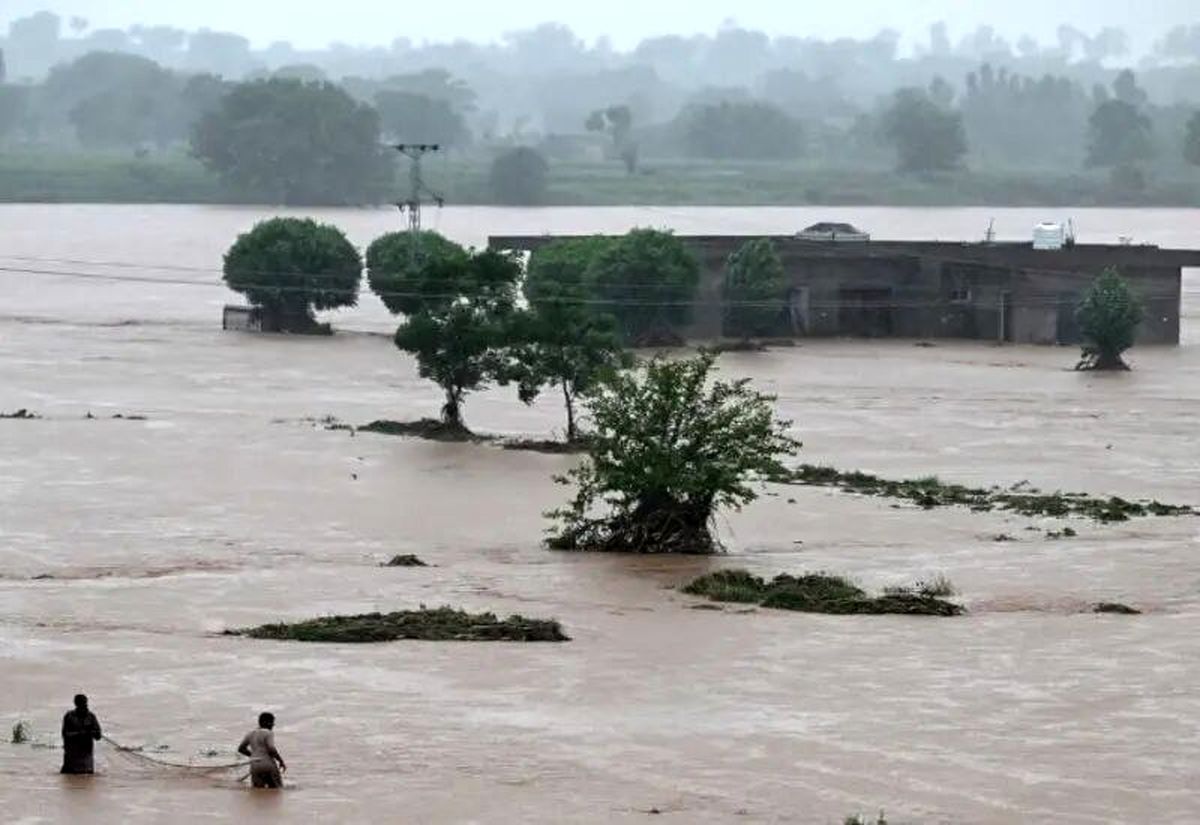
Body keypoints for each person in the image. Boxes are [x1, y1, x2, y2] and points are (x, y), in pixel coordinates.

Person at [238, 712, 287, 789]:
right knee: (277, 789)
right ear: (266, 722)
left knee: (258, 791)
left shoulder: (250, 733)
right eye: (272, 722)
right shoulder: (268, 733)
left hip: (254, 765)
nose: (273, 725)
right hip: (268, 764)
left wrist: (254, 755)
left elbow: (241, 749)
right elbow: (271, 747)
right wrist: (281, 761)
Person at [61, 694, 102, 774]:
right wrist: (80, 734)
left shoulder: (91, 716)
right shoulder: (69, 716)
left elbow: (98, 736)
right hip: (72, 756)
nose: (84, 705)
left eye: (84, 703)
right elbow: (65, 734)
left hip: (86, 755)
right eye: (81, 703)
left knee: (87, 779)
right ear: (76, 704)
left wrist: (92, 732)